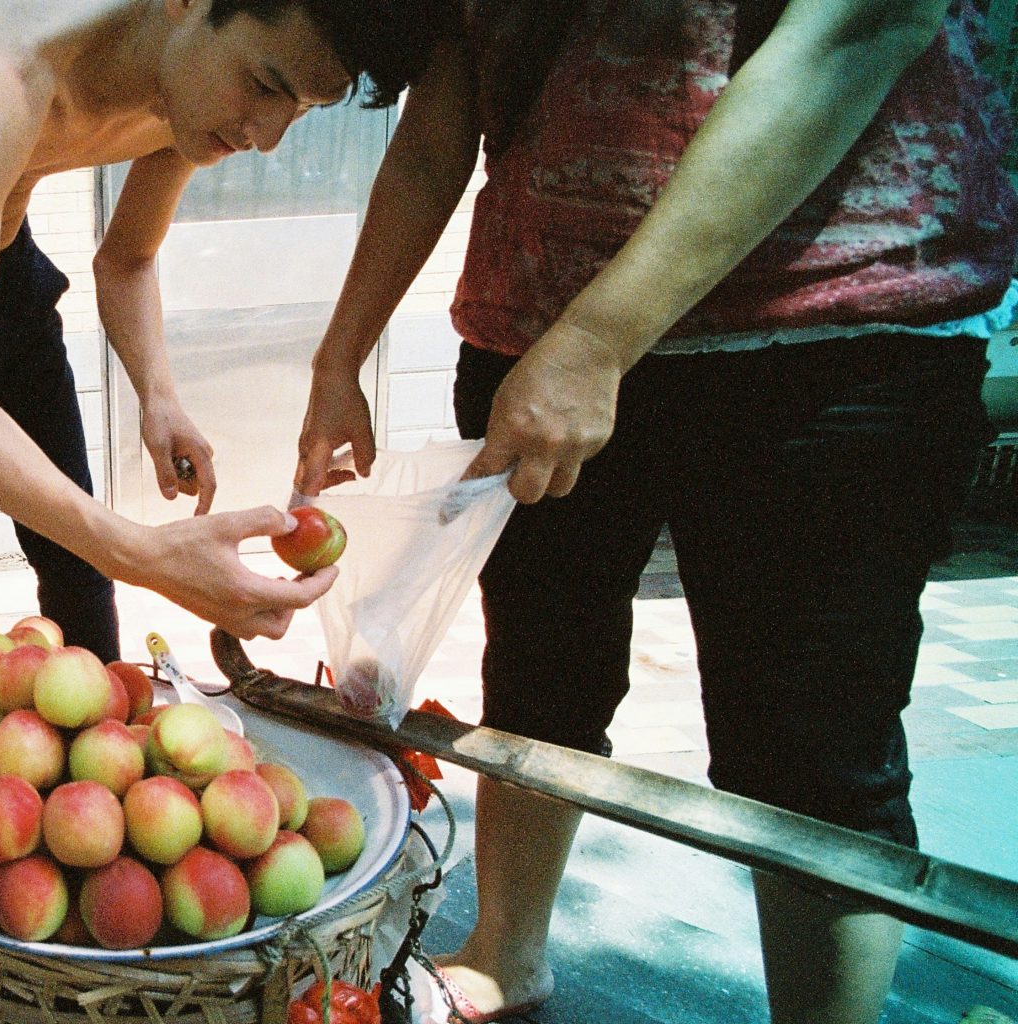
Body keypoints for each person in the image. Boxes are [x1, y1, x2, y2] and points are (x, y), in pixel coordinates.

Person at [294, 2, 1014, 1022]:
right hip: (531, 327)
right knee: (541, 676)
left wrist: (598, 340)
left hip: (828, 328)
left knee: (810, 746)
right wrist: (338, 358)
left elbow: (855, 32)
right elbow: (446, 101)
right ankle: (506, 952)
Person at [0, 0, 449, 711]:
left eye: (303, 107)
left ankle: (103, 764)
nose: (268, 136)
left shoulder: (189, 91)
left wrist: (158, 394)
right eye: (267, 83)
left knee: (79, 566)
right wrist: (145, 554)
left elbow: (127, 259)